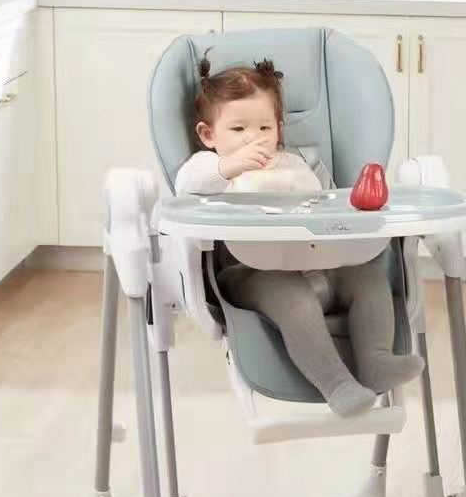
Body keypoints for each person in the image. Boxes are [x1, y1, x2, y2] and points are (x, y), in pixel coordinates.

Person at [174, 57, 424, 416]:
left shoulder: (295, 164)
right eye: (239, 129)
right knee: (296, 302)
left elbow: (326, 205)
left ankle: (376, 361)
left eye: (264, 128)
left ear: (278, 129)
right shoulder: (208, 168)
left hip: (318, 261)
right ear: (208, 135)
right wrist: (227, 168)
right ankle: (338, 385)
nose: (254, 139)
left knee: (368, 279)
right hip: (250, 272)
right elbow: (186, 188)